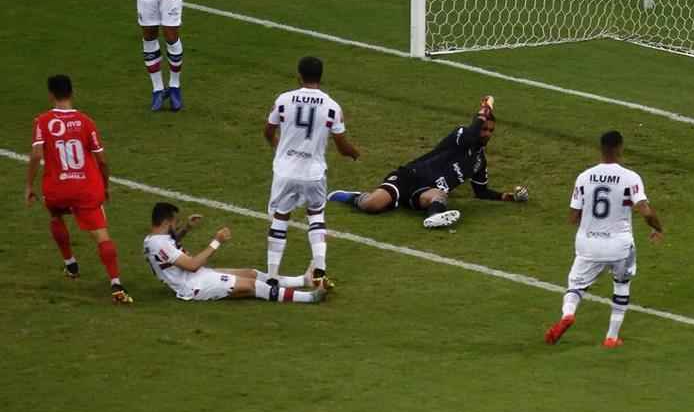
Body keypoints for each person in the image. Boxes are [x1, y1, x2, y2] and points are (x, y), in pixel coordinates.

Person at [327, 95, 529, 229]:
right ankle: (353, 197)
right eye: (484, 128)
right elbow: (470, 136)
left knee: (440, 194)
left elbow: (481, 192)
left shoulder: (478, 162)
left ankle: (433, 217)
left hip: (425, 192)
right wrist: (483, 111)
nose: (486, 133)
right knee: (373, 205)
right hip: (409, 177)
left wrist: (510, 197)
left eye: (490, 130)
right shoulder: (461, 135)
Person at [544, 130, 664, 348]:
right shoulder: (630, 177)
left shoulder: (584, 176)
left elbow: (573, 216)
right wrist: (658, 228)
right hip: (619, 245)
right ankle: (611, 337)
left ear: (601, 149)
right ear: (620, 148)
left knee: (575, 286)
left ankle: (568, 314)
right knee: (621, 284)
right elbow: (645, 210)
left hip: (588, 243)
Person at [24, 74, 132, 304]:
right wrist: (105, 185)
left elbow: (35, 155)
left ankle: (70, 264)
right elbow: (101, 160)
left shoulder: (42, 121)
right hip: (85, 188)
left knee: (55, 214)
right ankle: (116, 285)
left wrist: (28, 185)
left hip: (57, 188)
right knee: (102, 236)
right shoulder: (86, 122)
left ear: (51, 95)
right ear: (72, 93)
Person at [263, 56, 359, 286]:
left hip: (285, 171)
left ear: (299, 75)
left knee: (280, 218)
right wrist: (353, 153)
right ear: (321, 77)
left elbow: (268, 131)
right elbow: (342, 145)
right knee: (316, 216)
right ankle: (320, 271)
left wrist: (280, 148)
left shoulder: (284, 100)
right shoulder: (332, 107)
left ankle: (273, 276)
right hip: (313, 173)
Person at [143, 203, 326, 303]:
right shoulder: (159, 244)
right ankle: (309, 297)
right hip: (193, 286)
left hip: (199, 276)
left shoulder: (155, 241)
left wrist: (186, 229)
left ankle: (303, 281)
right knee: (253, 285)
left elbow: (172, 246)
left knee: (251, 272)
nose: (176, 225)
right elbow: (192, 265)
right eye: (175, 222)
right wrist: (217, 241)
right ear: (167, 222)